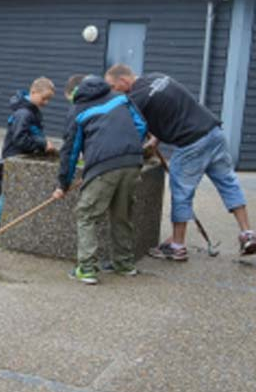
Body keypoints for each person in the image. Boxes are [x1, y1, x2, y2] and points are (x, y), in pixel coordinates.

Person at [105, 64, 256, 259]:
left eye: (113, 86)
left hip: (191, 144)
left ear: (123, 81)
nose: (113, 91)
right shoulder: (157, 76)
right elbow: (171, 112)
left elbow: (132, 129)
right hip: (213, 133)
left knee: (181, 193)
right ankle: (247, 233)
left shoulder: (136, 98)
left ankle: (177, 245)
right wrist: (155, 140)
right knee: (228, 182)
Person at [52, 74, 147, 285]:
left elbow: (70, 151)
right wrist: (128, 149)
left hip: (103, 166)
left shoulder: (78, 110)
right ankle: (124, 264)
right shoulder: (120, 97)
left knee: (86, 214)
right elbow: (141, 125)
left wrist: (63, 184)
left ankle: (86, 269)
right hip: (132, 162)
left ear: (75, 93)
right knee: (122, 215)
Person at [0, 77, 56, 234]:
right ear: (33, 92)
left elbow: (32, 133)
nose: (46, 102)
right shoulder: (24, 113)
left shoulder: (32, 111)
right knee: (9, 193)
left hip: (21, 155)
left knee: (11, 191)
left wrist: (42, 143)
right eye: (44, 98)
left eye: (49, 99)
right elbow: (20, 138)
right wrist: (42, 144)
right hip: (14, 156)